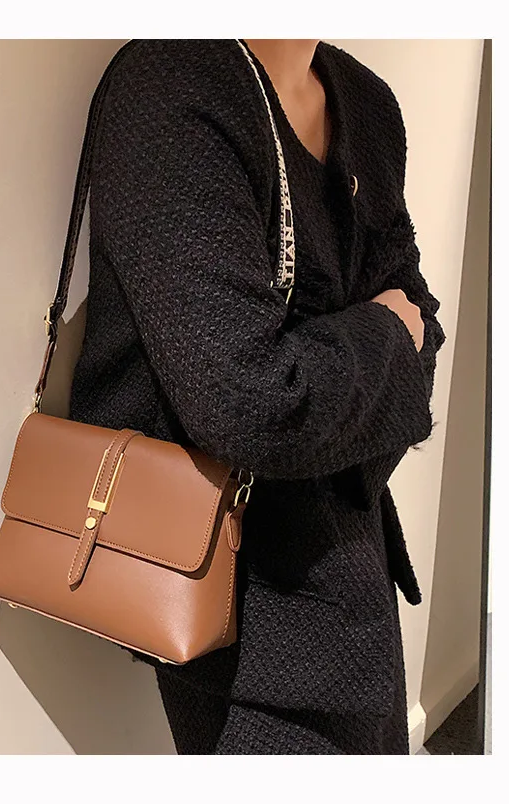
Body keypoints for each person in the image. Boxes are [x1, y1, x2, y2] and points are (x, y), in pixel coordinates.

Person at [68, 38, 446, 755]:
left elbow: (420, 314)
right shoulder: (173, 86)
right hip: (235, 605)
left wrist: (366, 348)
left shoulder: (364, 100)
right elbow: (250, 405)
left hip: (356, 556)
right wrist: (384, 334)